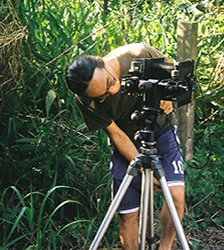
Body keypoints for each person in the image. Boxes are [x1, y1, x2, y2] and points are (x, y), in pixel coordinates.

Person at [65, 42, 185, 250]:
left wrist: (168, 98)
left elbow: (176, 75)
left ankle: (164, 247)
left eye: (110, 82)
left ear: (101, 62)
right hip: (125, 138)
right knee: (127, 213)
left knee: (175, 196)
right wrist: (140, 167)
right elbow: (116, 134)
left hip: (162, 129)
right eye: (103, 95)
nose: (114, 90)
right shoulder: (84, 99)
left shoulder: (139, 53)